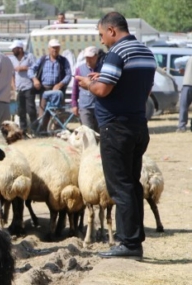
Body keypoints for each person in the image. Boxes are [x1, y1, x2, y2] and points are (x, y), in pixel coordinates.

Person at [75, 12, 156, 260]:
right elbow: (140, 87)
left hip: (116, 129)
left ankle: (128, 243)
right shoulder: (145, 52)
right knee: (132, 184)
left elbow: (101, 89)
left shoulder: (117, 53)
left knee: (119, 186)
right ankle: (134, 238)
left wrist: (88, 83)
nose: (101, 41)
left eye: (101, 35)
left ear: (112, 30)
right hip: (137, 126)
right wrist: (105, 79)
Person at [8, 40, 37, 131]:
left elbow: (35, 68)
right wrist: (14, 86)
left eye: (14, 49)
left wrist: (25, 68)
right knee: (21, 111)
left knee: (31, 109)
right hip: (19, 88)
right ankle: (23, 129)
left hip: (28, 86)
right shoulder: (12, 59)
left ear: (20, 49)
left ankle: (35, 128)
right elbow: (12, 74)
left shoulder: (29, 57)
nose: (13, 51)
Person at [71, 46, 100, 131]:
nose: (88, 60)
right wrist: (74, 104)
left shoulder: (102, 69)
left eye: (91, 57)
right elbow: (75, 88)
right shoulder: (79, 69)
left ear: (96, 57)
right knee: (88, 132)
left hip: (99, 106)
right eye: (87, 57)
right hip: (85, 106)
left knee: (99, 132)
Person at [176, 56, 192, 132]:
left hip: (187, 85)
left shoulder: (188, 58)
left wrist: (181, 69)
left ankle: (182, 126)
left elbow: (177, 61)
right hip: (187, 84)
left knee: (183, 107)